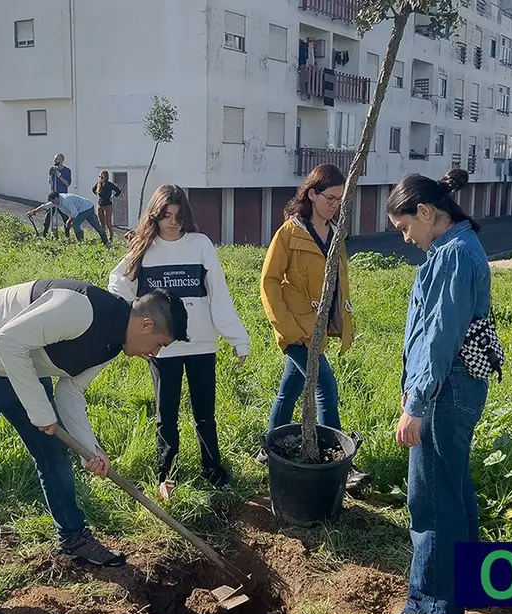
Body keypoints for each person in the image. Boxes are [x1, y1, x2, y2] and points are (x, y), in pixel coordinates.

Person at [0, 279, 189, 614]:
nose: (155, 354)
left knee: (55, 453)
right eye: (159, 344)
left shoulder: (113, 345)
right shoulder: (78, 309)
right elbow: (7, 340)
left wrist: (90, 450)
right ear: (146, 324)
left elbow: (71, 392)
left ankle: (73, 538)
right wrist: (41, 412)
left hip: (20, 363)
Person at [383, 169, 498, 614]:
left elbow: (438, 337)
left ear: (427, 212)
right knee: (452, 485)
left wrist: (417, 404)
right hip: (454, 386)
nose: (407, 238)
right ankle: (466, 587)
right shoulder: (456, 247)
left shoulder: (453, 255)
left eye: (405, 227)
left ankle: (434, 605)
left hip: (445, 388)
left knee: (430, 494)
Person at [108, 184, 250, 502]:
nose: (172, 222)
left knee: (205, 414)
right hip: (163, 348)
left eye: (178, 215)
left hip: (202, 345)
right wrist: (127, 324)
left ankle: (214, 472)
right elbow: (118, 283)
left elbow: (219, 295)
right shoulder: (144, 248)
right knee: (166, 414)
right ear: (155, 216)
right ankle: (166, 475)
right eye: (166, 216)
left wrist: (237, 338)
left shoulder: (200, 245)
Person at [259, 164, 370, 492]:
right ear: (311, 194)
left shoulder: (335, 233)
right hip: (295, 330)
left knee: (290, 388)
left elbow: (339, 282)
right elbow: (268, 283)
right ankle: (342, 465)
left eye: (340, 199)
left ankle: (267, 450)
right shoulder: (289, 233)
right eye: (331, 198)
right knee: (326, 385)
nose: (336, 204)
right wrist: (289, 330)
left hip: (318, 330)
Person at [26, 192, 109, 246]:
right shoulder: (56, 201)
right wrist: (33, 212)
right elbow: (45, 206)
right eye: (52, 202)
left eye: (53, 201)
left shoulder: (66, 200)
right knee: (96, 226)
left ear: (57, 198)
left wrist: (70, 220)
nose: (53, 203)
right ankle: (106, 244)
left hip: (85, 208)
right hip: (88, 206)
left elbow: (75, 213)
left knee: (76, 224)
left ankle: (82, 244)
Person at [44, 153, 72, 236]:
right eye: (55, 159)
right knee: (48, 215)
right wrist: (51, 176)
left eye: (57, 159)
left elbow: (67, 183)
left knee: (65, 217)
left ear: (61, 160)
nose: (55, 161)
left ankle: (67, 235)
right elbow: (50, 182)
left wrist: (59, 175)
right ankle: (45, 233)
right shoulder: (53, 169)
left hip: (62, 197)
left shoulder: (67, 170)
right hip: (53, 196)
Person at [92, 170, 122, 242]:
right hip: (100, 205)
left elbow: (118, 191)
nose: (100, 178)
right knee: (101, 223)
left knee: (108, 223)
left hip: (108, 205)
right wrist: (98, 195)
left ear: (105, 177)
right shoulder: (98, 184)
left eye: (102, 176)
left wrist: (113, 197)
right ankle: (103, 238)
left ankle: (111, 238)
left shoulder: (109, 184)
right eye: (99, 176)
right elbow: (93, 190)